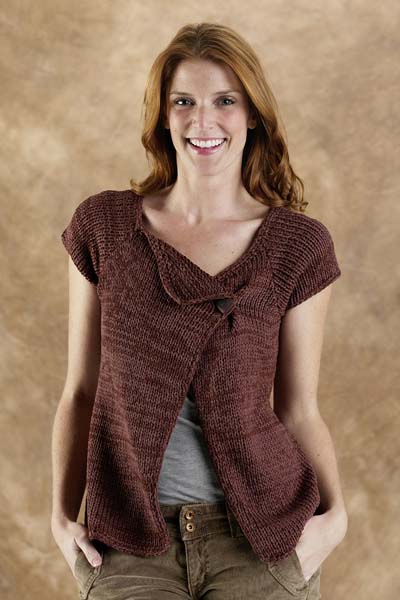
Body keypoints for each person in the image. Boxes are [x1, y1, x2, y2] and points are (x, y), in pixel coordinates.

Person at [51, 22, 348, 600]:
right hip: (130, 541)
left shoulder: (297, 246)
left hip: (261, 544)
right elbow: (80, 392)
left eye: (225, 101)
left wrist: (336, 517)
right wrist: (60, 519)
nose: (202, 121)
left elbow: (299, 408)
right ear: (163, 116)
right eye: (183, 102)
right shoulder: (104, 227)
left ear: (252, 115)